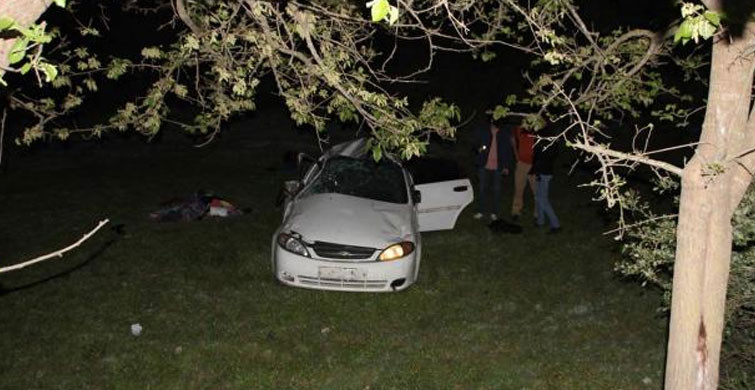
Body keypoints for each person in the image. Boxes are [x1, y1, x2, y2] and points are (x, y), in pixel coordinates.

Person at [473, 118, 514, 221]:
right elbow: (475, 146)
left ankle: (494, 212)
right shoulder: (483, 131)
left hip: (498, 166)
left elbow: (507, 150)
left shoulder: (504, 133)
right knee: (482, 189)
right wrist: (481, 149)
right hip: (484, 165)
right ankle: (480, 211)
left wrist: (506, 167)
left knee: (496, 190)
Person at [531, 136, 561, 233]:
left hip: (544, 173)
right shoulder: (547, 142)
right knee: (539, 197)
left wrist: (538, 171)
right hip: (543, 172)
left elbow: (541, 157)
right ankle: (540, 221)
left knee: (542, 199)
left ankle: (556, 225)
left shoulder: (546, 143)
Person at [511, 123, 537, 221]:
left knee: (536, 191)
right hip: (521, 164)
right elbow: (513, 141)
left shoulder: (537, 129)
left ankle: (537, 214)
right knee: (518, 189)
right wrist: (517, 157)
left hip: (534, 165)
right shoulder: (519, 129)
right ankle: (516, 211)